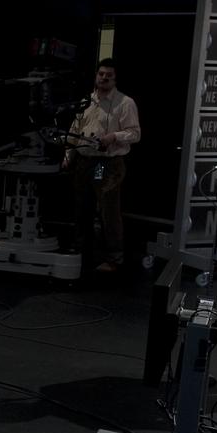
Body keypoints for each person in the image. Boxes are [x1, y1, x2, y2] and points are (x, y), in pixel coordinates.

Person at [65, 59, 141, 273]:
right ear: (96, 76)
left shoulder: (125, 103)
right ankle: (81, 252)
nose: (104, 78)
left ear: (115, 79)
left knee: (107, 212)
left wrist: (113, 136)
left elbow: (135, 134)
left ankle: (114, 258)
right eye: (101, 74)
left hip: (105, 165)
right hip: (83, 162)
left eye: (109, 75)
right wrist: (68, 154)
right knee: (81, 209)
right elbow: (74, 130)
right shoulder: (86, 101)